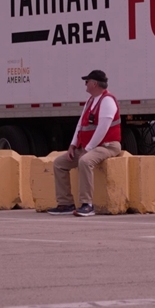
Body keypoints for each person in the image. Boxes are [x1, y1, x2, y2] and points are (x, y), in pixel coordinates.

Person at [49, 70, 121, 217]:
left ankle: (87, 204)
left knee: (85, 161)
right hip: (89, 146)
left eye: (86, 81)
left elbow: (102, 128)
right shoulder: (90, 101)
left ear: (94, 84)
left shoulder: (107, 100)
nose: (85, 85)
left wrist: (87, 149)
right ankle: (66, 203)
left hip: (108, 145)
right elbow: (80, 125)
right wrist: (73, 145)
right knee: (59, 163)